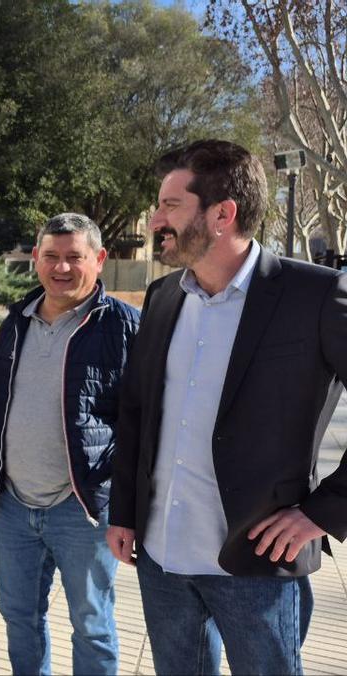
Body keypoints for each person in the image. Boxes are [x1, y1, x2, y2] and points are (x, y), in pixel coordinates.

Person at [108, 139, 347, 674]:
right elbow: (137, 412)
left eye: (170, 206)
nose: (155, 220)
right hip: (161, 559)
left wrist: (321, 513)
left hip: (256, 562)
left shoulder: (316, 295)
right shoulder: (165, 296)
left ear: (223, 214)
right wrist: (123, 511)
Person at [0, 213, 139, 675]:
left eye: (74, 257)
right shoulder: (16, 322)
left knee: (92, 623)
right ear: (36, 260)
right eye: (51, 256)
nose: (61, 268)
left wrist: (126, 504)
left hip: (82, 509)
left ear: (99, 259)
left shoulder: (125, 327)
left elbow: (143, 422)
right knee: (19, 617)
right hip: (14, 506)